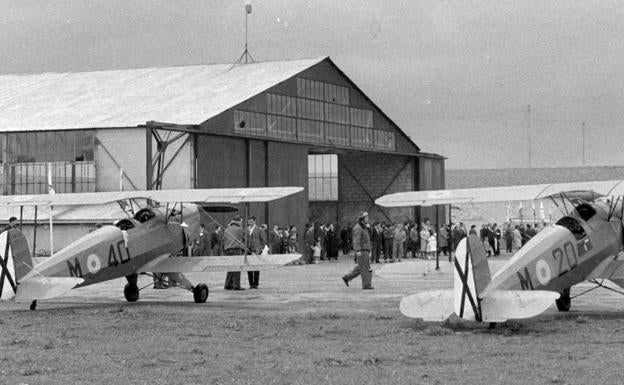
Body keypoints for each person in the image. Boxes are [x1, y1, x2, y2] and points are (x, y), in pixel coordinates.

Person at [341, 212, 373, 289]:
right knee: (365, 268)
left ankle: (347, 277)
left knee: (361, 267)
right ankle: (366, 285)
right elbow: (356, 240)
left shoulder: (364, 227)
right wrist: (358, 250)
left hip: (365, 249)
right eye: (366, 217)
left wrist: (369, 228)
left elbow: (369, 237)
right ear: (362, 219)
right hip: (362, 250)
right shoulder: (358, 228)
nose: (368, 219)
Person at [223, 215, 245, 291]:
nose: (242, 223)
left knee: (230, 268)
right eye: (241, 221)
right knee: (237, 268)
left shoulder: (226, 229)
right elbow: (244, 238)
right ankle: (236, 285)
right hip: (236, 250)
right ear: (238, 221)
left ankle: (227, 284)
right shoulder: (240, 229)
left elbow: (223, 240)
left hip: (227, 250)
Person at [247, 216, 265, 289]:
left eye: (251, 221)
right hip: (248, 251)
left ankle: (256, 283)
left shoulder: (259, 230)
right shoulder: (246, 229)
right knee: (249, 267)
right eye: (249, 221)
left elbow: (263, 241)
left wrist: (260, 250)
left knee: (256, 267)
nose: (250, 223)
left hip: (257, 251)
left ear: (254, 221)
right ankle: (251, 284)